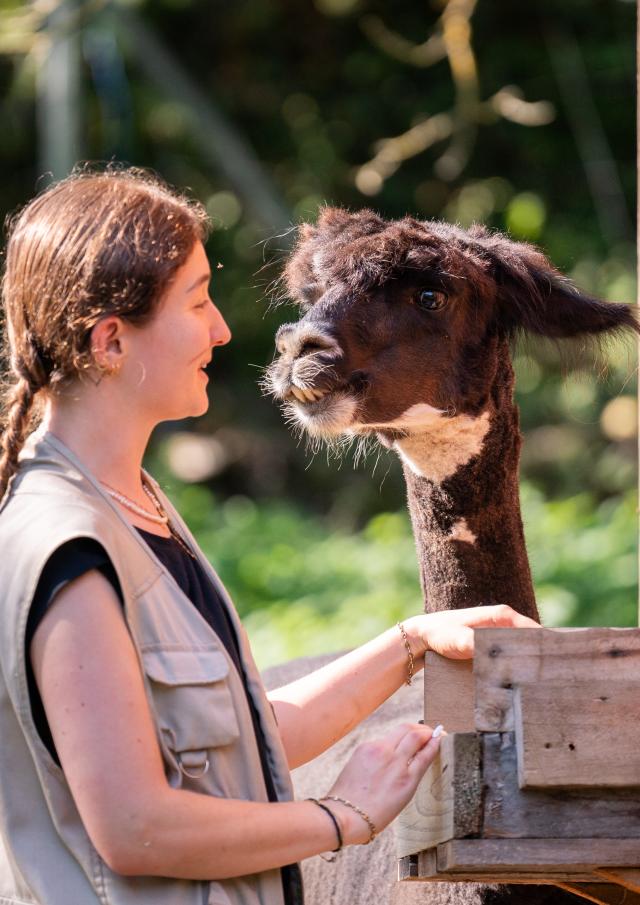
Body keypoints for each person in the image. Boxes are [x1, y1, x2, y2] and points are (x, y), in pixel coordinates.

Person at [0, 167, 539, 905]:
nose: (222, 328)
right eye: (197, 302)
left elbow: (236, 745)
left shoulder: (135, 511)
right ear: (111, 341)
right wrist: (341, 816)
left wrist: (410, 642)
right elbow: (134, 827)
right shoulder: (71, 550)